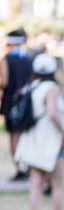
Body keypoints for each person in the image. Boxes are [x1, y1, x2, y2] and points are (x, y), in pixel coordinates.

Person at [14, 53, 64, 210]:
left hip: (34, 142)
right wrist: (63, 131)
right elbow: (53, 113)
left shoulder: (32, 86)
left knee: (35, 185)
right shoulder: (51, 87)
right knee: (58, 184)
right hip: (50, 145)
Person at [0, 29, 33, 180]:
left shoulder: (6, 59)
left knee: (13, 136)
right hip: (26, 102)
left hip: (11, 102)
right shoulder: (29, 59)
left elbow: (4, 81)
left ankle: (20, 168)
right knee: (25, 135)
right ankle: (26, 166)